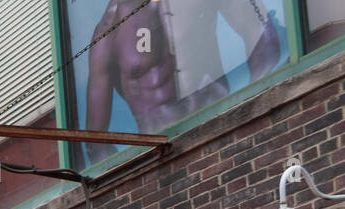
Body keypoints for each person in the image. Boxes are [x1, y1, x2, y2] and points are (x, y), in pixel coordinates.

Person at [83, 0, 280, 163]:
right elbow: (95, 142)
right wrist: (136, 179)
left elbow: (261, 35)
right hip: (162, 162)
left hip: (222, 131)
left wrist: (253, 114)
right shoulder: (109, 32)